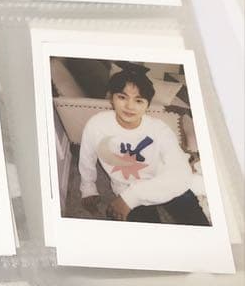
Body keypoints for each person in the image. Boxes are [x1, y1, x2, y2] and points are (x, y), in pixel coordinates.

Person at [79, 66, 209, 224]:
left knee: (197, 223)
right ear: (111, 98)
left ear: (147, 105)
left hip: (162, 182)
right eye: (122, 97)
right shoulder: (97, 125)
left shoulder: (159, 129)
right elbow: (87, 156)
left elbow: (180, 172)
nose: (130, 106)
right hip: (125, 186)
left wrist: (131, 197)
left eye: (139, 100)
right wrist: (88, 188)